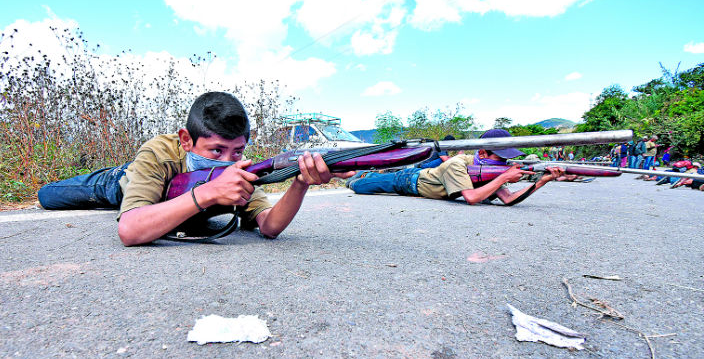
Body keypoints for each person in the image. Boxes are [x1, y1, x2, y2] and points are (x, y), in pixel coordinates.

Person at [38, 91, 353, 245]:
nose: (228, 162)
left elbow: (269, 226)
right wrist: (209, 192)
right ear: (187, 140)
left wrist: (300, 182)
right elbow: (130, 230)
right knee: (48, 196)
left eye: (237, 151)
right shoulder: (160, 152)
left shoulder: (239, 170)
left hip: (164, 206)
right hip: (119, 183)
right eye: (216, 150)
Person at [345, 129, 576, 206]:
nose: (505, 164)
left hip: (417, 181)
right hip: (410, 181)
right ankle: (354, 173)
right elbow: (472, 198)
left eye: (507, 160)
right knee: (358, 185)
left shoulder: (489, 171)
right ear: (482, 154)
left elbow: (508, 199)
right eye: (501, 158)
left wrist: (542, 181)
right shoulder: (458, 163)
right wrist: (504, 176)